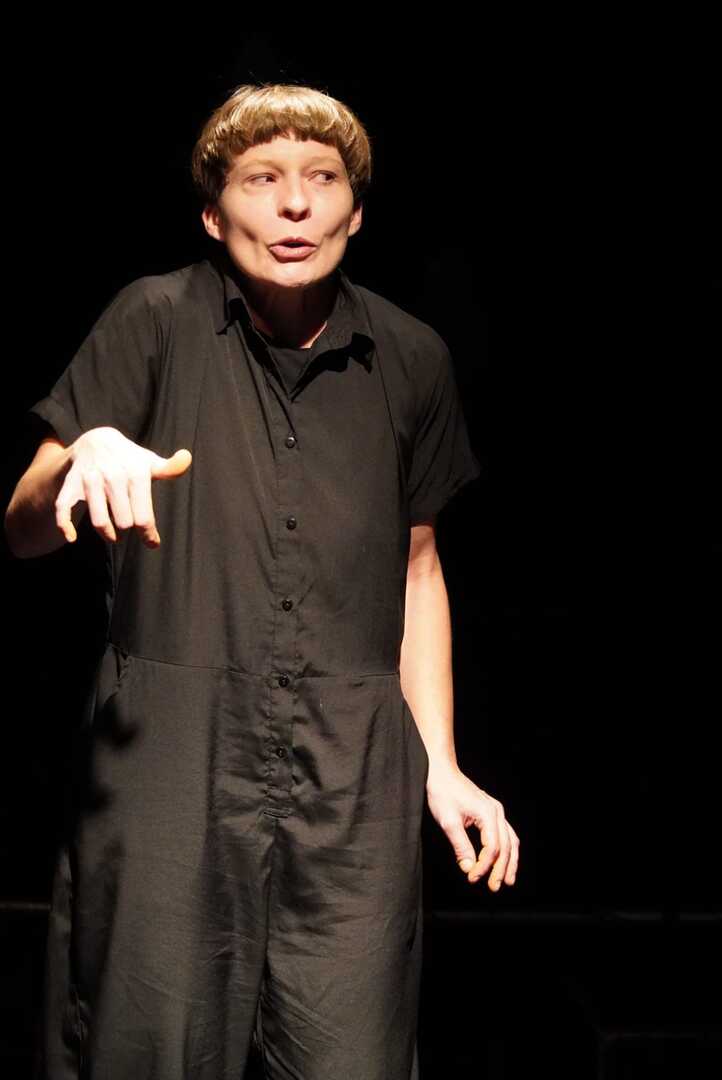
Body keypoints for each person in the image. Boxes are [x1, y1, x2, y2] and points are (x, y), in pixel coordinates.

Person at [5, 83, 519, 1080]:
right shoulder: (154, 319)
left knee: (355, 1053)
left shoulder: (411, 357)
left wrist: (441, 764)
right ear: (213, 213)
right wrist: (74, 464)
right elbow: (21, 528)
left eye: (322, 179)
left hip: (353, 775)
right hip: (171, 759)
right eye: (261, 179)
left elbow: (418, 569)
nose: (294, 203)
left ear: (354, 212)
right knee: (145, 1048)